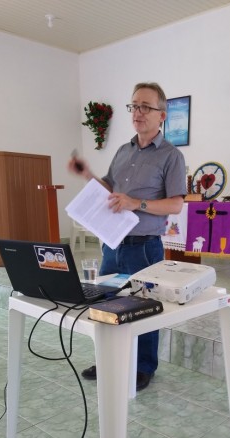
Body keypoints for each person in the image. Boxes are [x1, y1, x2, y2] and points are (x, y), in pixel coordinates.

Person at [68, 82, 186, 391]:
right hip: (112, 243)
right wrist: (86, 174)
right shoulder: (123, 151)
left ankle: (143, 367)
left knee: (144, 308)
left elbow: (176, 204)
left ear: (162, 115)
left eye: (146, 106)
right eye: (134, 105)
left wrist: (138, 203)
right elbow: (109, 187)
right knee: (108, 304)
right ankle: (109, 358)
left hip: (144, 247)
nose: (138, 112)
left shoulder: (171, 156)